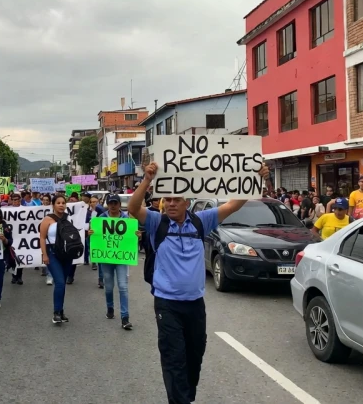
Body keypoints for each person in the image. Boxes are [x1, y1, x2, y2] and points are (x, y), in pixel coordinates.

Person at [128, 161, 270, 404]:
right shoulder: (156, 222)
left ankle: (186, 397)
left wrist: (257, 178)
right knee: (174, 357)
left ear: (187, 203)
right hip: (167, 304)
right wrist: (147, 180)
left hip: (195, 304)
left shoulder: (201, 221)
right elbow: (132, 208)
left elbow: (234, 205)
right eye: (167, 199)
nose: (171, 203)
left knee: (194, 356)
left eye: (176, 199)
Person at [87, 194, 138, 330]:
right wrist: (90, 234)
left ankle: (125, 317)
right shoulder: (101, 219)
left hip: (121, 258)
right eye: (111, 203)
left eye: (115, 203)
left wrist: (137, 235)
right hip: (106, 258)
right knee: (109, 287)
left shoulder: (127, 219)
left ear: (119, 204)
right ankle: (110, 308)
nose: (113, 205)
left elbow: (132, 240)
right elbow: (93, 240)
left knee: (123, 286)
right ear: (107, 205)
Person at [40, 195, 74, 324]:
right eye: (58, 203)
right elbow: (42, 238)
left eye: (63, 203)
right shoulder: (48, 220)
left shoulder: (68, 219)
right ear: (53, 205)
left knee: (63, 283)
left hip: (66, 254)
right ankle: (56, 313)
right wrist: (45, 255)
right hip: (53, 253)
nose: (61, 205)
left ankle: (61, 311)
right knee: (59, 282)